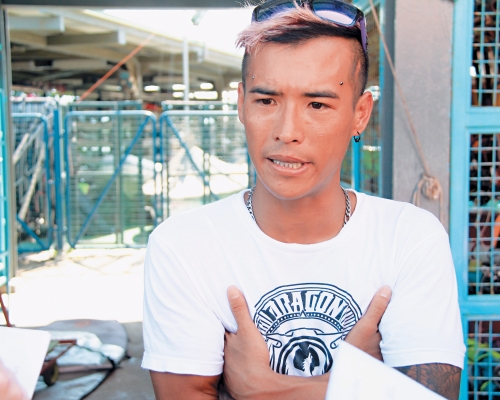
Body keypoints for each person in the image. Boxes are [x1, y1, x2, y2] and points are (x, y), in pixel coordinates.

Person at [142, 1, 465, 399]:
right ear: (241, 103)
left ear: (360, 114)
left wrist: (262, 389)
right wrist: (358, 385)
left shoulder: (409, 237)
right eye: (266, 101)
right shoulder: (184, 246)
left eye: (317, 104)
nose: (287, 131)